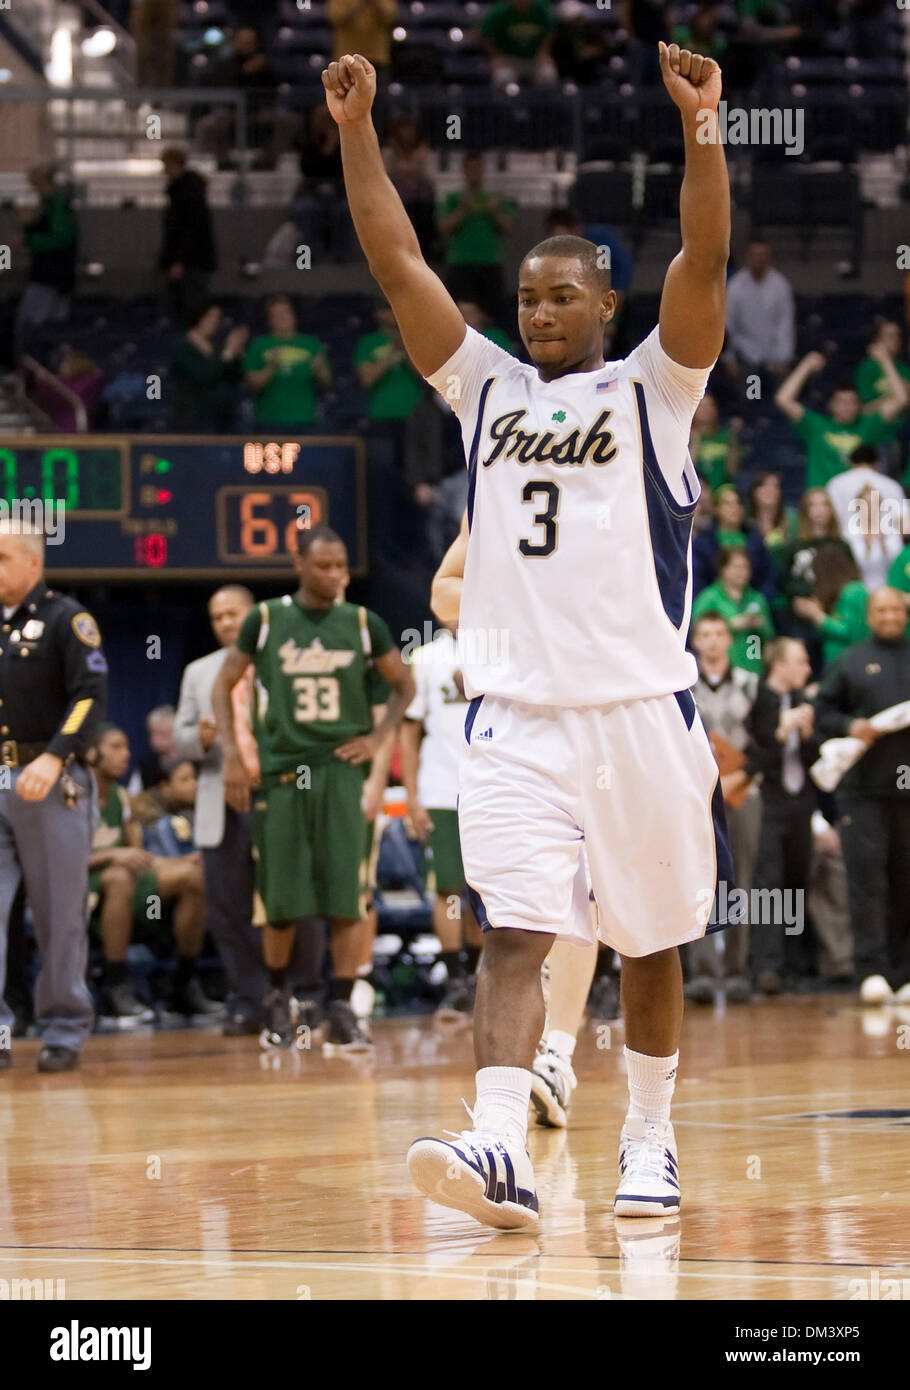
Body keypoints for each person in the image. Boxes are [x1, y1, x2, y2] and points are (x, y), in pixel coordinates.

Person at [322, 40, 734, 1225]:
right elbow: (396, 258)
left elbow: (703, 253)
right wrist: (357, 130)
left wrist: (701, 125)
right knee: (513, 934)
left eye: (565, 296)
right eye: (528, 298)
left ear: (610, 305)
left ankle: (647, 1138)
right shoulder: (484, 389)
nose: (541, 312)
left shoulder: (656, 389)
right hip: (512, 718)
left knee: (649, 942)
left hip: (640, 713)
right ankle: (497, 1140)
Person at [211, 525, 415, 1053]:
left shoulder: (364, 624)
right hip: (280, 775)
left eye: (342, 566)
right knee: (280, 900)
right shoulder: (267, 618)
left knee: (346, 897)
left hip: (340, 772)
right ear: (299, 564)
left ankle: (343, 1006)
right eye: (323, 566)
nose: (335, 575)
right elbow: (222, 683)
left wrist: (375, 739)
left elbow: (404, 686)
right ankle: (280, 998)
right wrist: (234, 753)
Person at [428, 512, 599, 1128]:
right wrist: (501, 620)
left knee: (592, 897)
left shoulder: (612, 474)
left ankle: (558, 1052)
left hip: (604, 713)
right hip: (516, 729)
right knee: (515, 914)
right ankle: (504, 1113)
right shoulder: (493, 493)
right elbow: (443, 590)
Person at [0, 521, 107, 1072]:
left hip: (48, 778)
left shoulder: (67, 619)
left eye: (1, 558)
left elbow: (90, 695)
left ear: (33, 564)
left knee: (59, 913)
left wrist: (55, 754)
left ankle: (64, 1027)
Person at [174, 585, 268, 1037]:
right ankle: (247, 999)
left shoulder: (274, 662)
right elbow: (180, 739)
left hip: (272, 795)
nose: (226, 622)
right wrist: (206, 737)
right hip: (219, 799)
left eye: (234, 613)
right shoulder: (198, 672)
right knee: (228, 909)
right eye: (217, 617)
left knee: (280, 904)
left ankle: (289, 995)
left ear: (253, 615)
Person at [815, 588, 910, 1004]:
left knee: (906, 883)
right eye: (882, 610)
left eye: (896, 609)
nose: (890, 616)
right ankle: (871, 970)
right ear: (869, 616)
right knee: (867, 881)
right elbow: (822, 715)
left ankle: (904, 972)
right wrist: (850, 725)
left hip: (907, 795)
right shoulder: (849, 661)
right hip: (862, 794)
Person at [88, 726, 218, 1022]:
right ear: (92, 753)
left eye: (127, 747)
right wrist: (113, 855)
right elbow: (58, 860)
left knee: (192, 876)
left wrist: (180, 862)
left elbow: (141, 857)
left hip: (128, 884)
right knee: (119, 877)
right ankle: (116, 985)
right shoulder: (73, 795)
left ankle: (183, 984)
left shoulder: (121, 797)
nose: (126, 754)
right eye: (116, 747)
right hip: (83, 887)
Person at [400, 622, 482, 1021]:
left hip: (493, 787)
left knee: (486, 887)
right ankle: (455, 981)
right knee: (448, 890)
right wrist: (412, 796)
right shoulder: (424, 657)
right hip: (441, 789)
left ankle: (483, 979)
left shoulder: (503, 647)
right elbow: (409, 729)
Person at [686, 611, 760, 1003]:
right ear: (696, 641)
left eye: (719, 633)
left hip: (743, 790)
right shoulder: (680, 684)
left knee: (742, 878)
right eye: (706, 634)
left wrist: (741, 778)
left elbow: (766, 742)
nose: (713, 641)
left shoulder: (751, 684)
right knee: (699, 879)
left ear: (729, 639)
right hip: (696, 792)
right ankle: (702, 972)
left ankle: (737, 970)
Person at [745, 638, 820, 994]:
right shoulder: (758, 699)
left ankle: (795, 965)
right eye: (801, 662)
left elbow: (815, 758)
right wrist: (778, 733)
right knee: (767, 884)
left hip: (801, 800)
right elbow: (754, 759)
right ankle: (766, 965)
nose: (807, 669)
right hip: (769, 800)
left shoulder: (805, 700)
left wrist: (805, 735)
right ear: (779, 665)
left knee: (797, 879)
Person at [775, 349, 910, 490]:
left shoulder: (868, 426)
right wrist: (806, 365)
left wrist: (885, 361)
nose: (847, 407)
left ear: (859, 405)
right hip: (822, 503)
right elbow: (783, 399)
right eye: (842, 402)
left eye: (852, 402)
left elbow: (901, 400)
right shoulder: (815, 425)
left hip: (855, 502)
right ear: (831, 405)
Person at [198, 27, 300, 171]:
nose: (248, 44)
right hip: (232, 112)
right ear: (235, 42)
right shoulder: (226, 64)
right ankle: (224, 163)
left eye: (251, 41)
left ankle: (266, 161)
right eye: (244, 41)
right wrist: (244, 72)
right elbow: (222, 88)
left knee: (290, 121)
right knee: (208, 125)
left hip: (260, 112)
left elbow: (274, 91)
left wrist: (262, 72)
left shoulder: (264, 65)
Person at [437, 153, 516, 320]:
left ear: (483, 170)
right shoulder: (453, 198)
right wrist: (463, 209)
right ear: (464, 171)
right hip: (460, 263)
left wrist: (494, 211)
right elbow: (443, 227)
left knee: (494, 316)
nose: (474, 172)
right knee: (457, 315)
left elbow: (508, 228)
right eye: (470, 169)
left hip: (490, 262)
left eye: (477, 168)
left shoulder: (495, 198)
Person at [15, 165, 78, 354]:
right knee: (46, 328)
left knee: (31, 326)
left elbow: (60, 239)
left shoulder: (57, 205)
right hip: (53, 275)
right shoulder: (47, 205)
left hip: (50, 276)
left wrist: (29, 238)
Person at [244, 296, 331, 432]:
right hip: (269, 421)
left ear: (293, 316)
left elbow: (326, 383)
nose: (282, 318)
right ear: (270, 320)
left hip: (305, 419)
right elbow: (252, 385)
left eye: (286, 313)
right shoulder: (259, 345)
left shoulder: (311, 344)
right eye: (277, 315)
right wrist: (271, 366)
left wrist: (319, 370)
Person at [691, 547, 775, 675]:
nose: (742, 572)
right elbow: (696, 630)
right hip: (720, 671)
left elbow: (769, 636)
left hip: (753, 669)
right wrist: (730, 624)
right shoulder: (709, 598)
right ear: (723, 569)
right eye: (737, 567)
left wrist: (760, 625)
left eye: (746, 567)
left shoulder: (757, 599)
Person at [170, 303, 248, 434]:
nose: (214, 321)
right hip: (194, 419)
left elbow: (234, 377)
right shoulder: (182, 347)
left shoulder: (218, 348)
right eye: (210, 316)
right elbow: (204, 375)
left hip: (223, 420)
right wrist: (228, 353)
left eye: (217, 317)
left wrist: (237, 353)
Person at [158, 148, 216, 322]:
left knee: (192, 310)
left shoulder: (188, 194)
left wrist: (179, 260)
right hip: (190, 261)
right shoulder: (184, 192)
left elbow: (191, 230)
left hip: (192, 263)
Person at [724, 239, 794, 381]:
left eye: (762, 255)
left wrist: (784, 357)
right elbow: (728, 324)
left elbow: (785, 323)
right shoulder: (735, 286)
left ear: (769, 257)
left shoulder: (780, 285)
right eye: (754, 254)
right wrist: (729, 358)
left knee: (778, 399)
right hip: (747, 356)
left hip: (775, 357)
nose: (758, 258)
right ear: (747, 257)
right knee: (752, 396)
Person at [792, 545, 869, 670]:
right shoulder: (840, 594)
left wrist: (817, 615)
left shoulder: (853, 591)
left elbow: (849, 632)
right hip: (835, 661)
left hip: (849, 663)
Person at [295, 105, 353, 264]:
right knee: (306, 210)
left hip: (339, 194)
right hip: (311, 193)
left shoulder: (346, 143)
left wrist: (334, 145)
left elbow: (346, 170)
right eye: (323, 120)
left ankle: (341, 258)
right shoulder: (309, 143)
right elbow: (307, 169)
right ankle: (305, 260)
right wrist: (327, 149)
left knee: (345, 210)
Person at [382, 116, 435, 261]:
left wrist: (413, 162)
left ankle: (424, 253)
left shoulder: (423, 152)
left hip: (419, 198)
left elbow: (428, 176)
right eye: (403, 130)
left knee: (424, 210)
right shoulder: (389, 153)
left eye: (410, 130)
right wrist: (401, 157)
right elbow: (384, 176)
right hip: (396, 198)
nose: (407, 134)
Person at [826, 442, 905, 539]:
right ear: (878, 463)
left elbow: (829, 517)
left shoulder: (836, 484)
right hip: (889, 544)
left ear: (851, 462)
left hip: (845, 541)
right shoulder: (892, 485)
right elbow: (904, 521)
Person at [478, 0, 559, 87]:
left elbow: (551, 31)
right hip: (509, 59)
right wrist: (496, 56)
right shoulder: (501, 11)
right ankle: (503, 101)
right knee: (503, 77)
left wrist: (544, 52)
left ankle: (544, 100)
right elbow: (479, 35)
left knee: (548, 74)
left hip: (535, 58)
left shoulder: (540, 8)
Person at [855, 320, 910, 440]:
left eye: (897, 335)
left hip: (903, 429)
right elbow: (863, 409)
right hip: (878, 432)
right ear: (878, 340)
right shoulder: (867, 368)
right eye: (889, 335)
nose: (895, 339)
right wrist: (897, 395)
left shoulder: (905, 369)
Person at [328, 0, 398, 84]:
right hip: (347, 59)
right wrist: (360, 4)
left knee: (379, 95)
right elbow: (336, 18)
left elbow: (390, 17)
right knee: (346, 96)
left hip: (377, 59)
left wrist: (373, 3)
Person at [689, 391, 740, 494]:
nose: (706, 410)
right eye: (701, 406)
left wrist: (734, 440)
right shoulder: (686, 436)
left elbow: (732, 470)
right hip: (696, 491)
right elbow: (687, 471)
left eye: (710, 405)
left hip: (723, 491)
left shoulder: (727, 436)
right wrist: (695, 443)